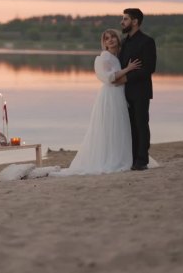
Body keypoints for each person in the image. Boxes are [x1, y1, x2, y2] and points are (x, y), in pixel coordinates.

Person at [52, 29, 142, 176]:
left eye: (113, 37)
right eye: (107, 39)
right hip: (110, 96)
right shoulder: (104, 58)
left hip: (119, 95)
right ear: (104, 43)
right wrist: (128, 69)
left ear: (118, 39)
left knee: (119, 126)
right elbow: (109, 78)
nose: (111, 40)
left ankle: (122, 156)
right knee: (110, 126)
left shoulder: (118, 56)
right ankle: (110, 158)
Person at [118, 8, 157, 171]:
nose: (122, 22)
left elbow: (149, 68)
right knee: (130, 126)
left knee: (141, 124)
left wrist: (127, 77)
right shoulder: (124, 42)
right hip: (124, 92)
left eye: (125, 19)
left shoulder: (147, 41)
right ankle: (133, 158)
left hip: (141, 91)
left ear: (135, 22)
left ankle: (142, 160)